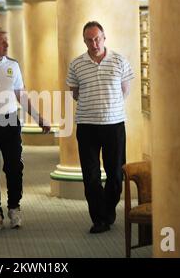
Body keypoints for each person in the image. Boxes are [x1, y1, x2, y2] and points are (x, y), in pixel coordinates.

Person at [0, 26, 50, 231]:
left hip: (11, 122)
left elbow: (20, 95)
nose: (7, 44)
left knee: (14, 168)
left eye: (6, 41)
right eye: (2, 41)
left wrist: (38, 118)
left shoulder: (12, 65)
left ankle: (14, 207)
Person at [66, 21, 134, 234]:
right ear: (84, 40)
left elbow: (125, 90)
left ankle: (107, 210)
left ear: (104, 38)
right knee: (91, 175)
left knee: (115, 174)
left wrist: (108, 107)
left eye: (97, 38)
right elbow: (74, 93)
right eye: (89, 39)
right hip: (87, 126)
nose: (94, 43)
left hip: (114, 125)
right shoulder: (77, 64)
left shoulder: (119, 60)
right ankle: (99, 219)